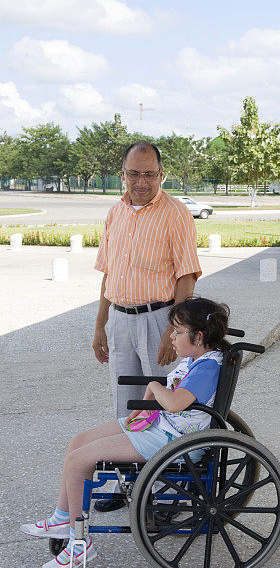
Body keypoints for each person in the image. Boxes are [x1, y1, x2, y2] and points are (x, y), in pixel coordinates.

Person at [21, 298, 230, 568]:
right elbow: (172, 398)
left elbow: (175, 403)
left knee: (78, 460)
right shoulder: (197, 359)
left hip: (173, 439)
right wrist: (148, 398)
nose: (171, 337)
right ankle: (62, 519)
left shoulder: (207, 368)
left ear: (199, 336)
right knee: (78, 443)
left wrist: (153, 386)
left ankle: (80, 542)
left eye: (178, 332)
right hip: (161, 425)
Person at [92, 140, 202, 511]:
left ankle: (168, 491)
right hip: (120, 320)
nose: (141, 182)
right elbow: (108, 274)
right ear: (122, 174)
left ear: (161, 174)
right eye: (134, 173)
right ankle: (123, 483)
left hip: (160, 319)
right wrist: (99, 325)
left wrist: (177, 329)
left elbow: (186, 276)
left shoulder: (175, 213)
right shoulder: (115, 213)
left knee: (165, 406)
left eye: (149, 174)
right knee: (126, 404)